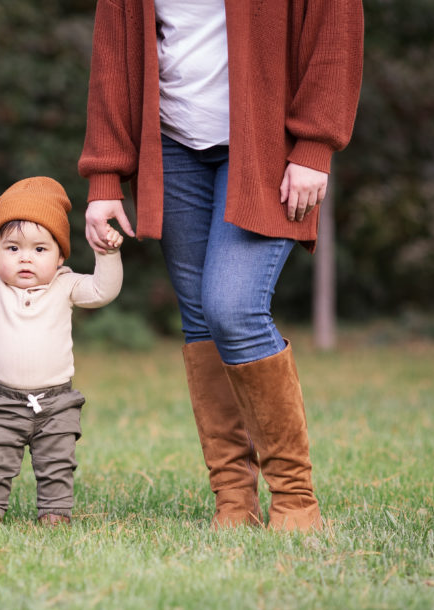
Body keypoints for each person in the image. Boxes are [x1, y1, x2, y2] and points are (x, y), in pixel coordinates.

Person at [79, 0, 363, 531]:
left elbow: (333, 28)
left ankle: (296, 500)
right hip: (173, 145)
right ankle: (234, 503)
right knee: (201, 321)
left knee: (233, 307)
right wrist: (104, 175)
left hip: (264, 147)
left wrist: (314, 146)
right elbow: (114, 53)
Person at [0, 177, 123, 527]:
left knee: (57, 464)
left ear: (60, 255)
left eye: (40, 249)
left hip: (56, 403)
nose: (26, 258)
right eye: (13, 248)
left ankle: (55, 515)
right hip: (1, 401)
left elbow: (103, 290)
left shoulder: (65, 284)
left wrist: (107, 253)